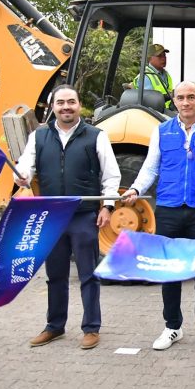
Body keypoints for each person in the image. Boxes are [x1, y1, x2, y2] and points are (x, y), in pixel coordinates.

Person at [122, 81, 195, 351]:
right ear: (174, 100)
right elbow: (150, 168)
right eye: (180, 97)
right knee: (170, 272)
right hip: (168, 210)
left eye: (191, 97)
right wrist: (135, 188)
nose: (186, 102)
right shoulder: (162, 131)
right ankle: (172, 327)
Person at [14, 84, 121, 349]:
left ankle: (91, 328)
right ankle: (55, 326)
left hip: (83, 215)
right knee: (56, 274)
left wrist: (107, 207)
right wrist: (22, 176)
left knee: (88, 274)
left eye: (71, 102)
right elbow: (25, 167)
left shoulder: (96, 135)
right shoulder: (39, 137)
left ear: (79, 104)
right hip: (51, 216)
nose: (66, 107)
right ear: (53, 107)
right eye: (60, 103)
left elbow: (111, 175)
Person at [132, 44, 174, 108]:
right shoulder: (146, 76)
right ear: (150, 58)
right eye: (159, 56)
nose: (163, 58)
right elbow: (149, 101)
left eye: (164, 55)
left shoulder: (165, 74)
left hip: (167, 110)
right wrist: (168, 96)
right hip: (154, 113)